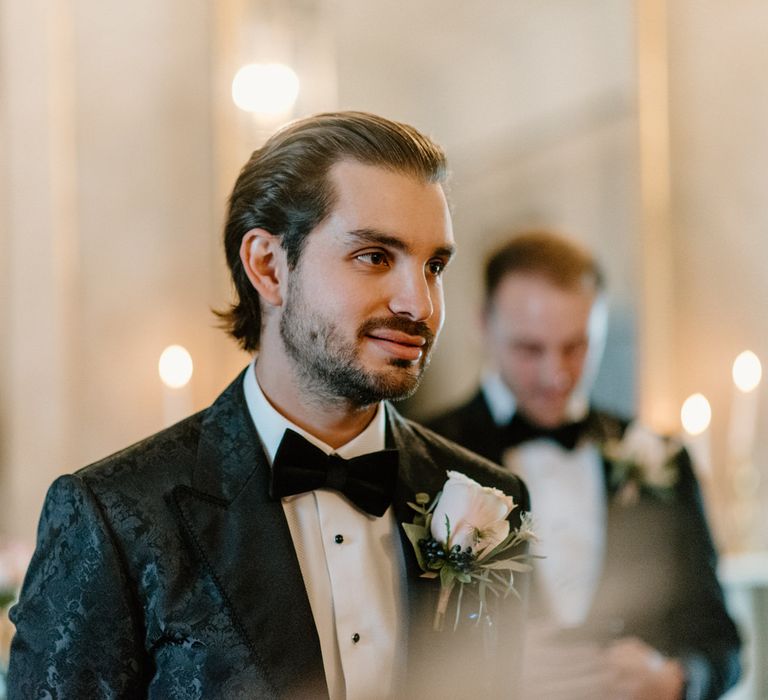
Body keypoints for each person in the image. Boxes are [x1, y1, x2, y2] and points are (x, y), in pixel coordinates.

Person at [7, 112, 529, 699]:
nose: (420, 304)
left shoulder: (489, 500)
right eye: (376, 256)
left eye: (434, 266)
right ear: (268, 266)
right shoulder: (119, 516)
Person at [426, 231, 741, 700]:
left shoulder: (661, 458)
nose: (556, 375)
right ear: (482, 326)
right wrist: (490, 664)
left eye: (576, 347)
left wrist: (675, 680)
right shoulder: (428, 453)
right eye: (530, 349)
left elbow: (722, 643)